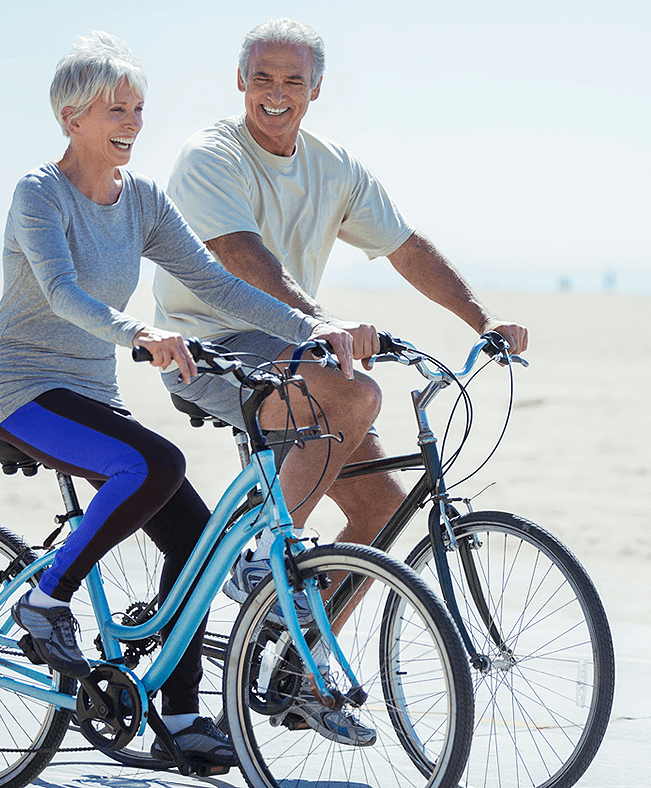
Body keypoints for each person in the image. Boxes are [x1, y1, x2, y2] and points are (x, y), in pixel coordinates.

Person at [0, 31, 353, 768]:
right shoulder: (38, 193)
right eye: (117, 108)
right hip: (21, 389)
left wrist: (313, 329)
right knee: (156, 463)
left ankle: (178, 720)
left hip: (92, 393)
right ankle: (45, 602)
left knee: (195, 539)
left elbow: (215, 283)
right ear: (72, 116)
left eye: (139, 108)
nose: (133, 121)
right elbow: (62, 292)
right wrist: (138, 332)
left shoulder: (141, 199)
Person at [150, 18, 528, 739]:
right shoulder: (210, 156)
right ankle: (263, 557)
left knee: (382, 508)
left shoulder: (334, 167)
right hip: (210, 347)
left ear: (316, 89)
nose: (276, 92)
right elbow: (238, 254)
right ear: (240, 82)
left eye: (293, 80)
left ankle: (292, 667)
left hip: (295, 346)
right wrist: (319, 320)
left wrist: (481, 320)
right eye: (262, 77)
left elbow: (407, 247)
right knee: (354, 390)